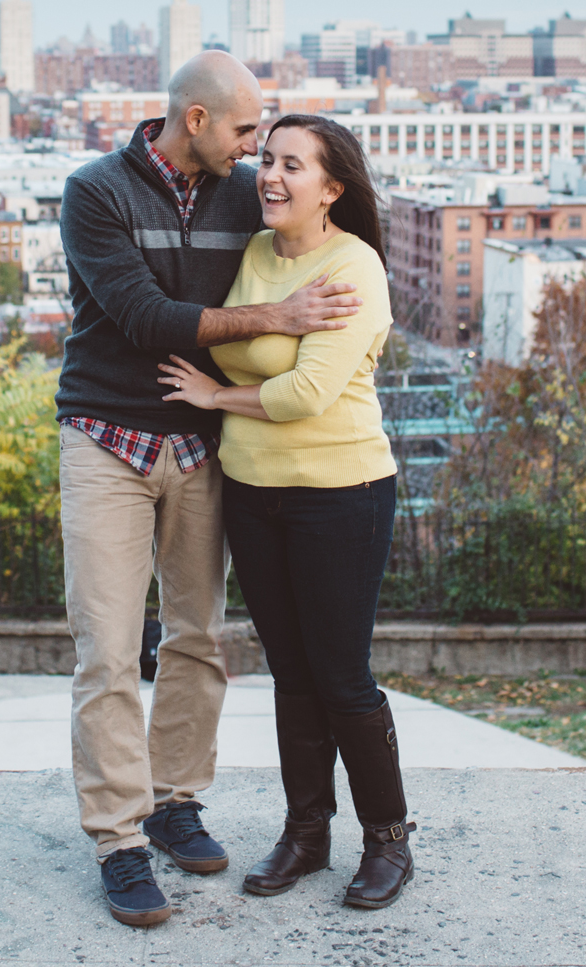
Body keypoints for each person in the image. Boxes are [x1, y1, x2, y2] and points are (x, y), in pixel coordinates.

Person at [56, 52, 362, 929]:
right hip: (105, 436)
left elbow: (314, 245)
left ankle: (173, 801)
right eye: (243, 131)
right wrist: (276, 319)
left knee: (198, 635)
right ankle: (118, 840)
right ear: (195, 121)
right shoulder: (97, 191)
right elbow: (146, 318)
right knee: (108, 647)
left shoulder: (242, 195)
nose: (257, 152)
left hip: (201, 442)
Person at [158, 112, 414, 911]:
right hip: (253, 492)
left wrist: (214, 395)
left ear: (331, 188)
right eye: (266, 159)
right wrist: (260, 339)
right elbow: (243, 335)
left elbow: (305, 392)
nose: (269, 175)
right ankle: (307, 833)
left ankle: (388, 840)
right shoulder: (260, 254)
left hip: (341, 493)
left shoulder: (354, 266)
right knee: (292, 673)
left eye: (291, 165)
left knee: (341, 676)